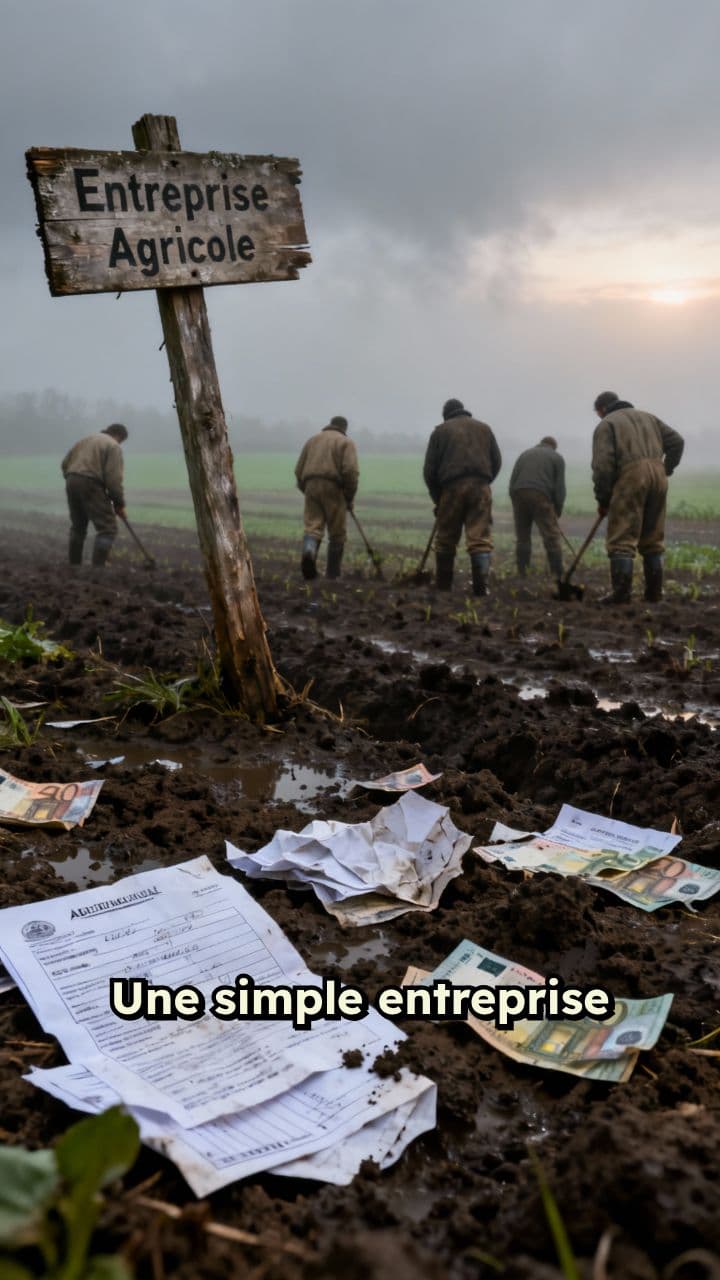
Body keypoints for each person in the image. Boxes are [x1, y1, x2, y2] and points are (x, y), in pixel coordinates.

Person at [592, 392, 684, 603]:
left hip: (631, 477)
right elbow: (677, 442)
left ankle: (621, 595)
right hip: (658, 476)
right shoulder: (649, 417)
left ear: (602, 409)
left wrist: (604, 500)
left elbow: (602, 467)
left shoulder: (607, 424)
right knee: (652, 539)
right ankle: (653, 595)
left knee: (622, 538)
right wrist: (665, 469)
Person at [423, 398, 502, 594]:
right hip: (481, 487)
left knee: (446, 539)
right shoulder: (485, 429)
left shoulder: (440, 432)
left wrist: (438, 499)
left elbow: (429, 471)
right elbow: (497, 461)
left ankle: (443, 587)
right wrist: (484, 483)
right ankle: (480, 589)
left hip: (451, 488)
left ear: (445, 415)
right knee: (480, 539)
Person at [294, 415, 359, 579]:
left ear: (330, 425)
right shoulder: (346, 442)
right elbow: (351, 472)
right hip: (334, 487)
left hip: (310, 484)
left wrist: (306, 489)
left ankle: (309, 554)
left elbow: (298, 470)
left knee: (312, 527)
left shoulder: (312, 440)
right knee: (337, 532)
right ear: (344, 428)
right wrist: (348, 498)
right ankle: (333, 574)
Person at [61, 423, 128, 567]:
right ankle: (98, 568)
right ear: (119, 436)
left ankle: (74, 565)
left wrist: (73, 480)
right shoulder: (113, 445)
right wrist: (119, 503)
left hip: (71, 480)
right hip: (90, 483)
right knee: (107, 528)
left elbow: (65, 464)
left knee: (78, 526)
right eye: (122, 441)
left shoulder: (85, 440)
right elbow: (113, 478)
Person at [508, 436, 566, 578]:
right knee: (551, 536)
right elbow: (560, 489)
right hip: (540, 494)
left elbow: (513, 480)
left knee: (522, 536)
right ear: (553, 447)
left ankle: (523, 572)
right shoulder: (557, 457)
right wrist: (557, 511)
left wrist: (515, 501)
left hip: (518, 492)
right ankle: (557, 573)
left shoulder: (525, 453)